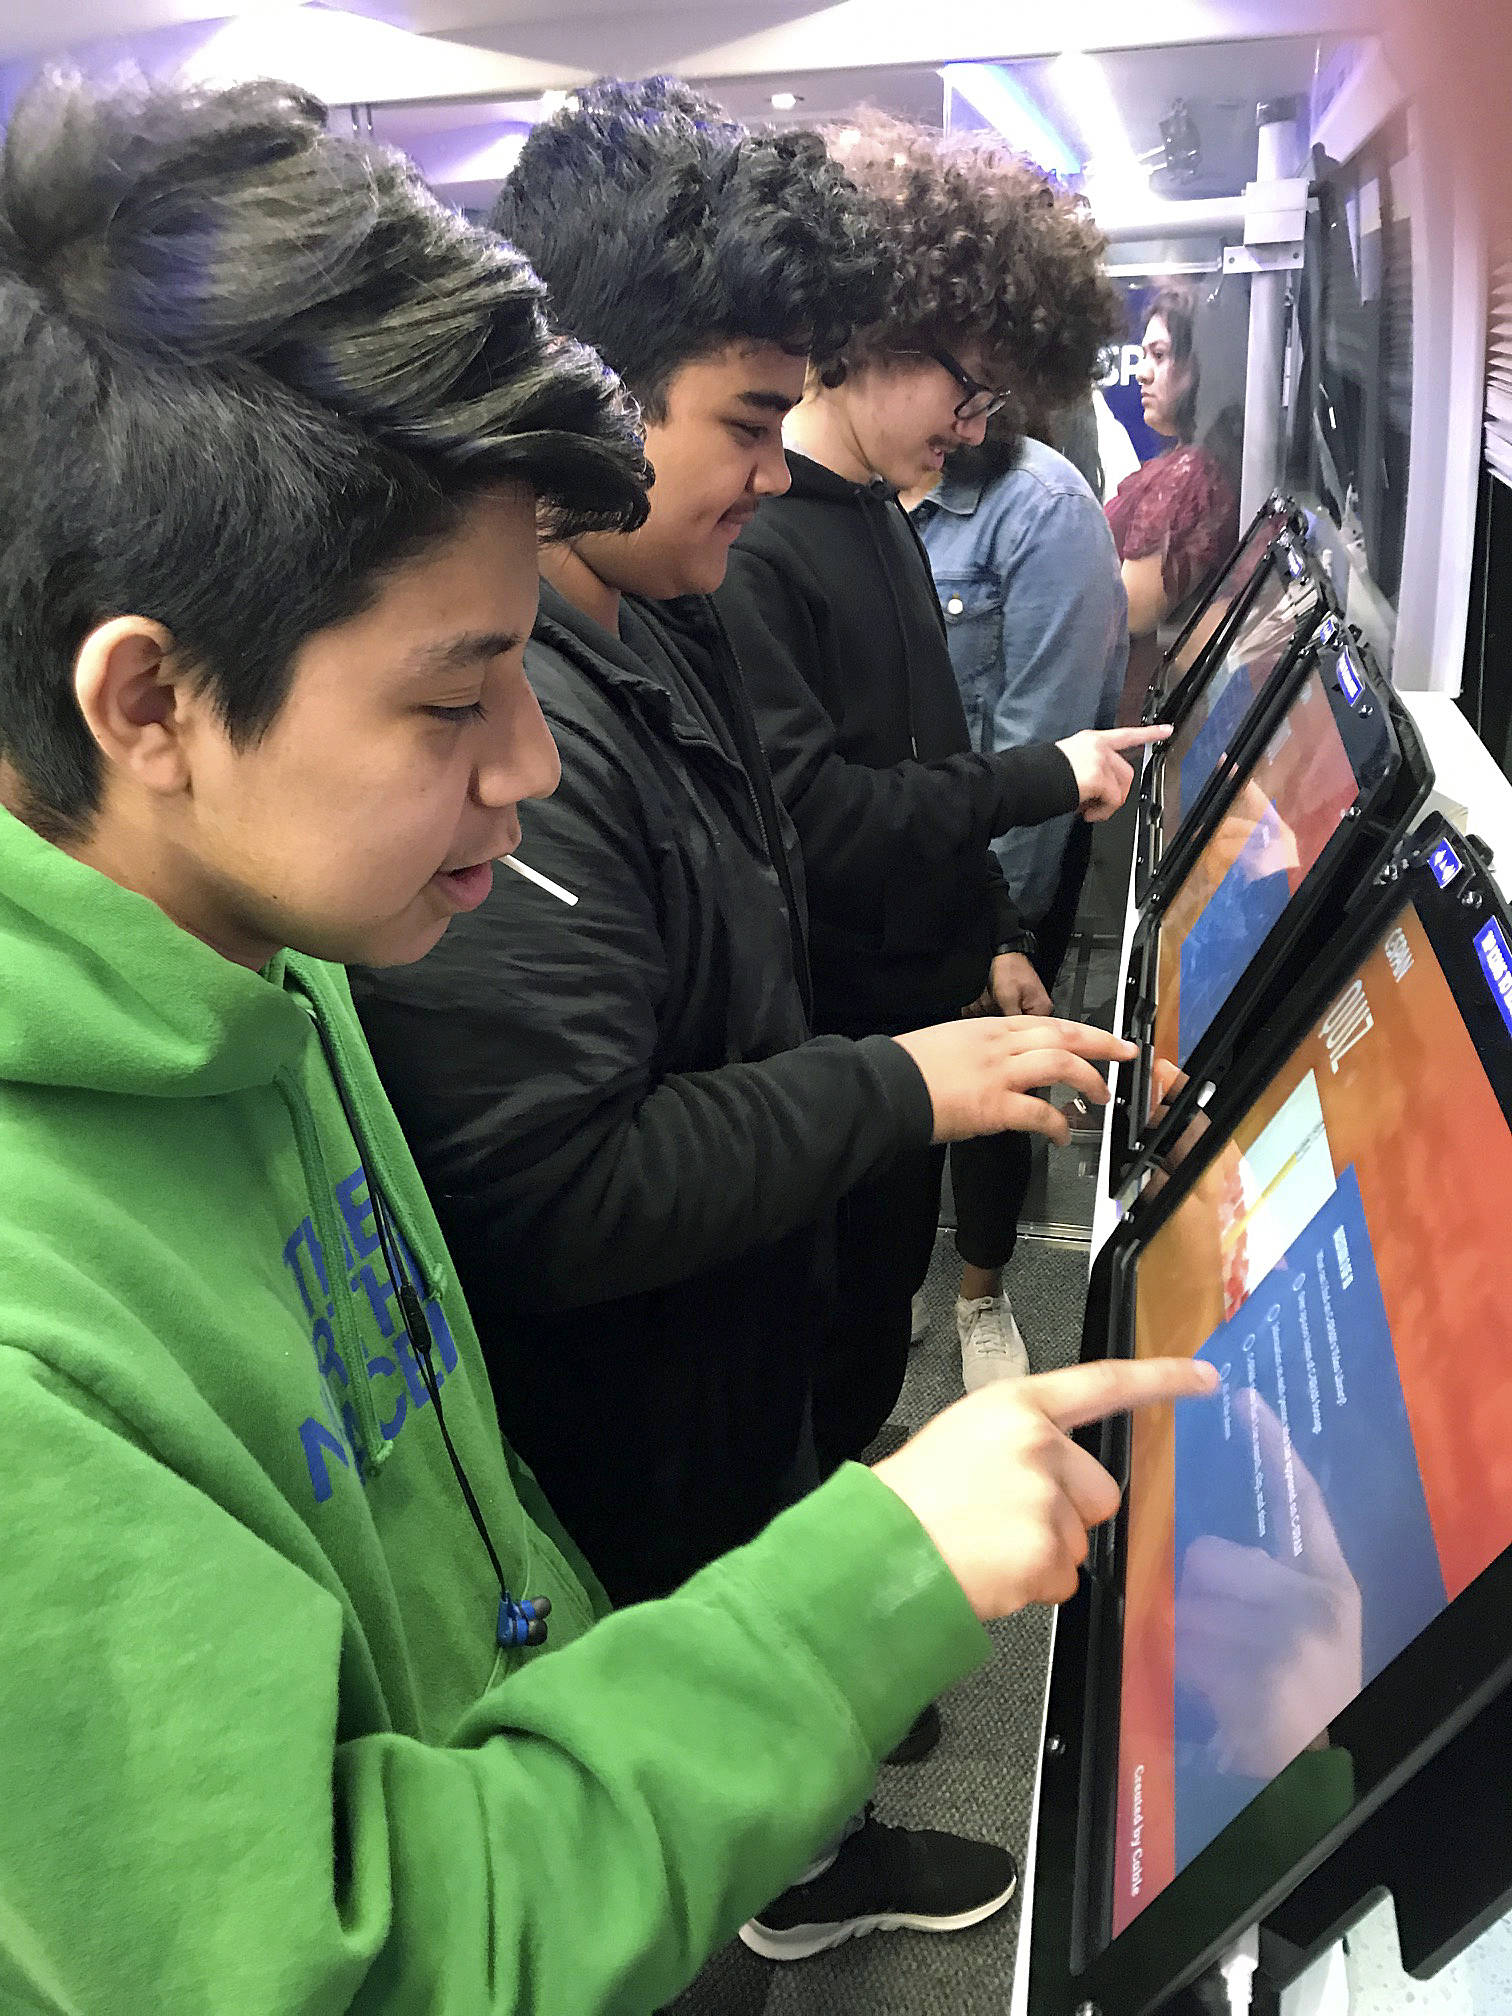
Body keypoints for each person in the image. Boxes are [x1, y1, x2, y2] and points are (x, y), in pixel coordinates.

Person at [0, 69, 1217, 2010]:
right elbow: (350, 1967)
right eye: (454, 697)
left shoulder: (274, 968)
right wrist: (859, 1592)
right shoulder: (29, 1347)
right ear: (147, 700)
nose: (533, 766)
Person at [353, 76, 1136, 1950]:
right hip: (632, 1411)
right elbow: (560, 1181)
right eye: (742, 421)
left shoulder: (664, 606)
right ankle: (782, 1884)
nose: (771, 473)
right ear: (597, 396)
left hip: (734, 1346)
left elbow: (761, 887)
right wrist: (892, 1086)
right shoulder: (505, 708)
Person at [715, 114, 1165, 1458]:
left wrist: (990, 942)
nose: (971, 428)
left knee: (870, 1334)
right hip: (837, 1048)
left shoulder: (880, 521)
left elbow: (920, 754)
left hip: (919, 1020)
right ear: (876, 333)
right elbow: (825, 813)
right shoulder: (763, 549)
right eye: (960, 390)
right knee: (828, 1360)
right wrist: (1046, 776)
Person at [905, 400, 1130, 1359]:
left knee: (1000, 1092)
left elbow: (1039, 742)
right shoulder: (855, 494)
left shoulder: (1041, 508)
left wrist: (999, 924)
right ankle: (903, 1277)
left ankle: (982, 1294)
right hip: (894, 858)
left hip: (999, 862)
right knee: (902, 1089)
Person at [1105, 287, 1242, 714]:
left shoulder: (1192, 474)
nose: (1142, 372)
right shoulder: (1194, 460)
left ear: (1200, 366)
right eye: (1144, 355)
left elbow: (1128, 613)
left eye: (1159, 356)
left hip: (1126, 704)